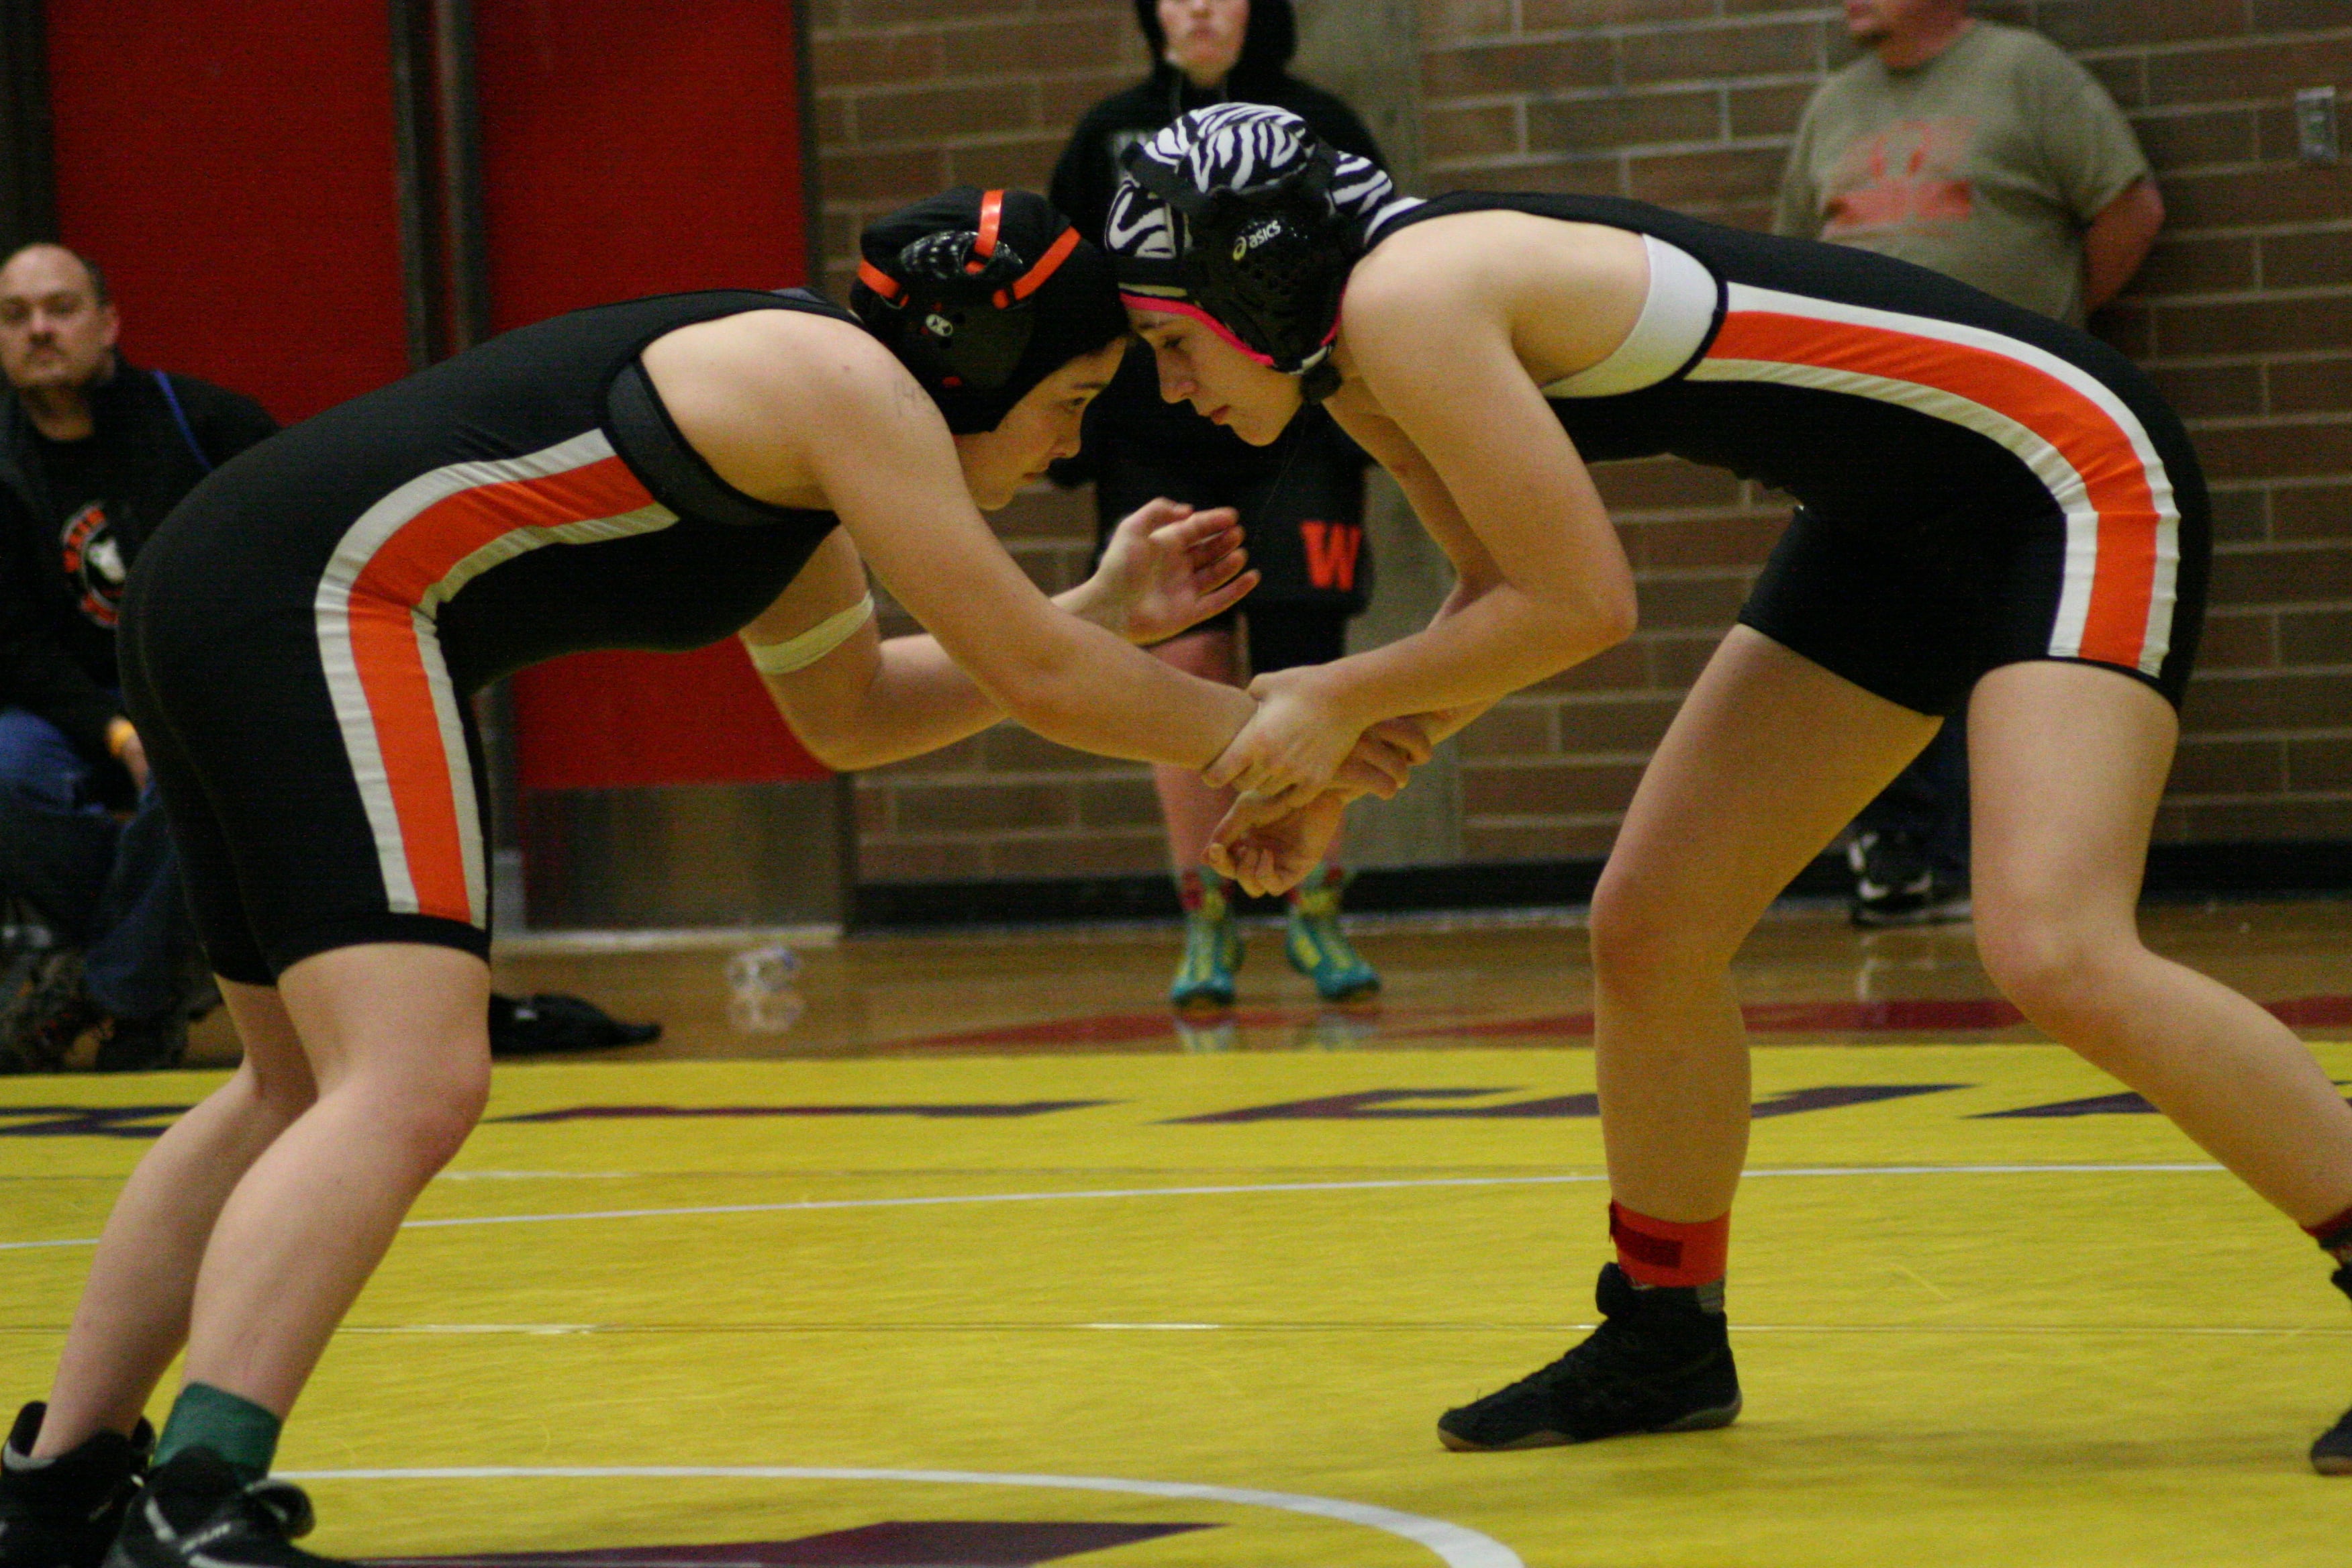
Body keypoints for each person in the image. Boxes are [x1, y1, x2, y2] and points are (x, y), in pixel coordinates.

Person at [0, 185, 1418, 1568]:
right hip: (314, 600)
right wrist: (1280, 741)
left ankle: (57, 1484)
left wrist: (1098, 613)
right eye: (1069, 401)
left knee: (292, 1091)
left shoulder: (799, 444)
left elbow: (852, 711)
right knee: (410, 1076)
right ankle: (198, 1497)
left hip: (230, 589)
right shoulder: (833, 383)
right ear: (983, 366)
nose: (1062, 452)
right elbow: (1036, 678)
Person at [1102, 103, 2352, 1473]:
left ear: (1256, 278)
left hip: (2067, 472)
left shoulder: (1411, 295)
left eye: (1172, 341)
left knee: (2054, 942)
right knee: (1651, 925)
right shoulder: (1359, 358)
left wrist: (1334, 700)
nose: (1170, 389)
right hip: (1902, 516)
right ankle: (1664, 1329)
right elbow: (1494, 598)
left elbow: (1585, 602)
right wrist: (1352, 757)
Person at [1775, 0, 2167, 926]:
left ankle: (1984, 862)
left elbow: (2128, 209)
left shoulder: (2025, 72)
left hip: (2007, 419)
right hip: (1861, 424)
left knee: (1992, 627)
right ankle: (1900, 861)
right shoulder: (1832, 103)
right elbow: (1791, 259)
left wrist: (2043, 337)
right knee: (1863, 625)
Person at [1050, 0, 1386, 1007]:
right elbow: (1075, 298)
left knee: (1303, 668)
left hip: (1300, 439)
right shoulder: (1105, 136)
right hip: (1159, 445)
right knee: (1185, 666)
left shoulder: (1319, 124)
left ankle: (1314, 906)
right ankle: (1207, 919)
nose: (1202, 6)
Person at [0, 244, 277, 1071]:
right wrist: (120, 734)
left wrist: (164, 715)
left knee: (197, 762)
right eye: (16, 316)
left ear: (109, 321)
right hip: (62, 705)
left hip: (197, 691)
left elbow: (294, 545)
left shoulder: (207, 425)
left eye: (61, 308)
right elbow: (11, 645)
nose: (40, 330)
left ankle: (109, 989)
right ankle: (154, 966)